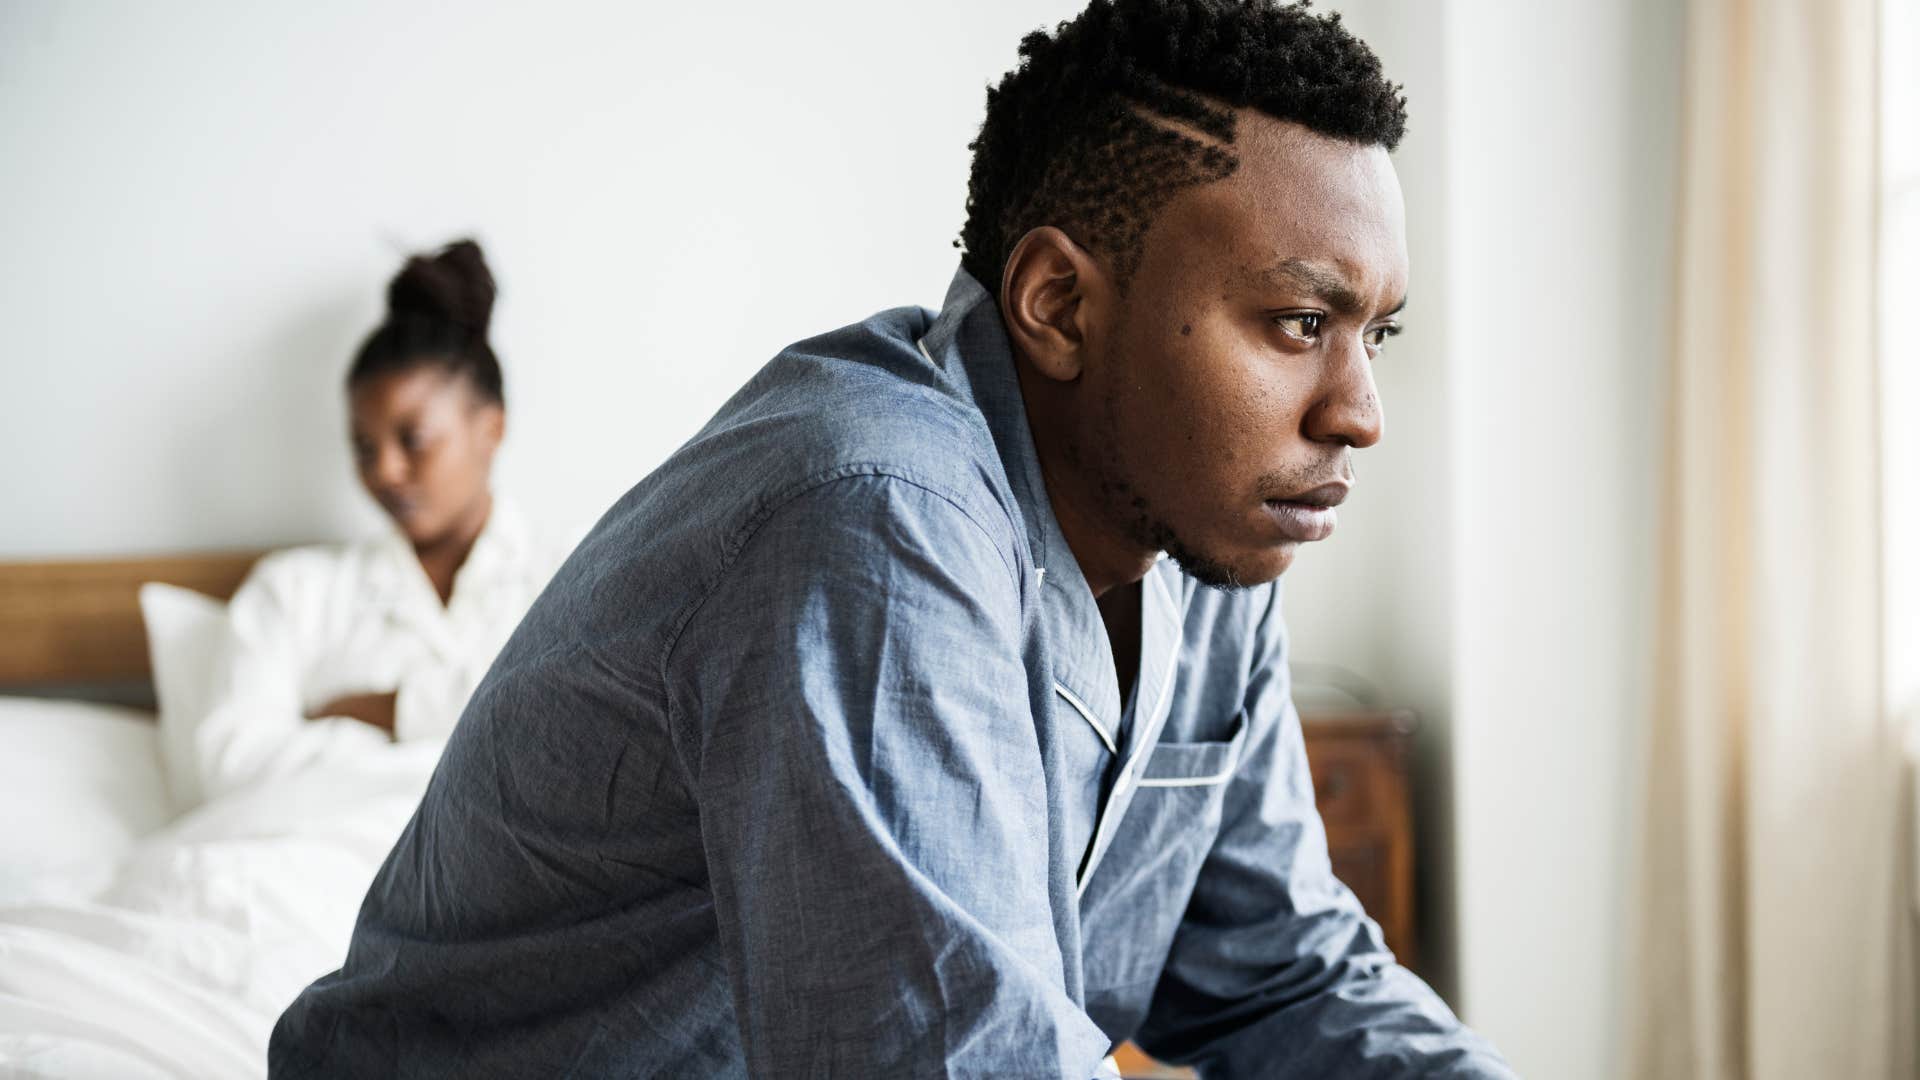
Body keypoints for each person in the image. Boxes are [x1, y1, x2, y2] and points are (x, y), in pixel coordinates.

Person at [272, 3, 1514, 1076]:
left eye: (1375, 335)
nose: (1359, 413)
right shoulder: (872, 523)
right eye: (1300, 322)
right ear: (1059, 304)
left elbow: (1285, 973)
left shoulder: (1207, 530)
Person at [164, 239, 559, 809]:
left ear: (490, 429)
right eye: (363, 447)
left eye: (412, 439)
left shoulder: (576, 578)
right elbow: (230, 772)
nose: (386, 471)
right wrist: (456, 739)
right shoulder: (294, 591)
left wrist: (384, 709)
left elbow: (576, 744)